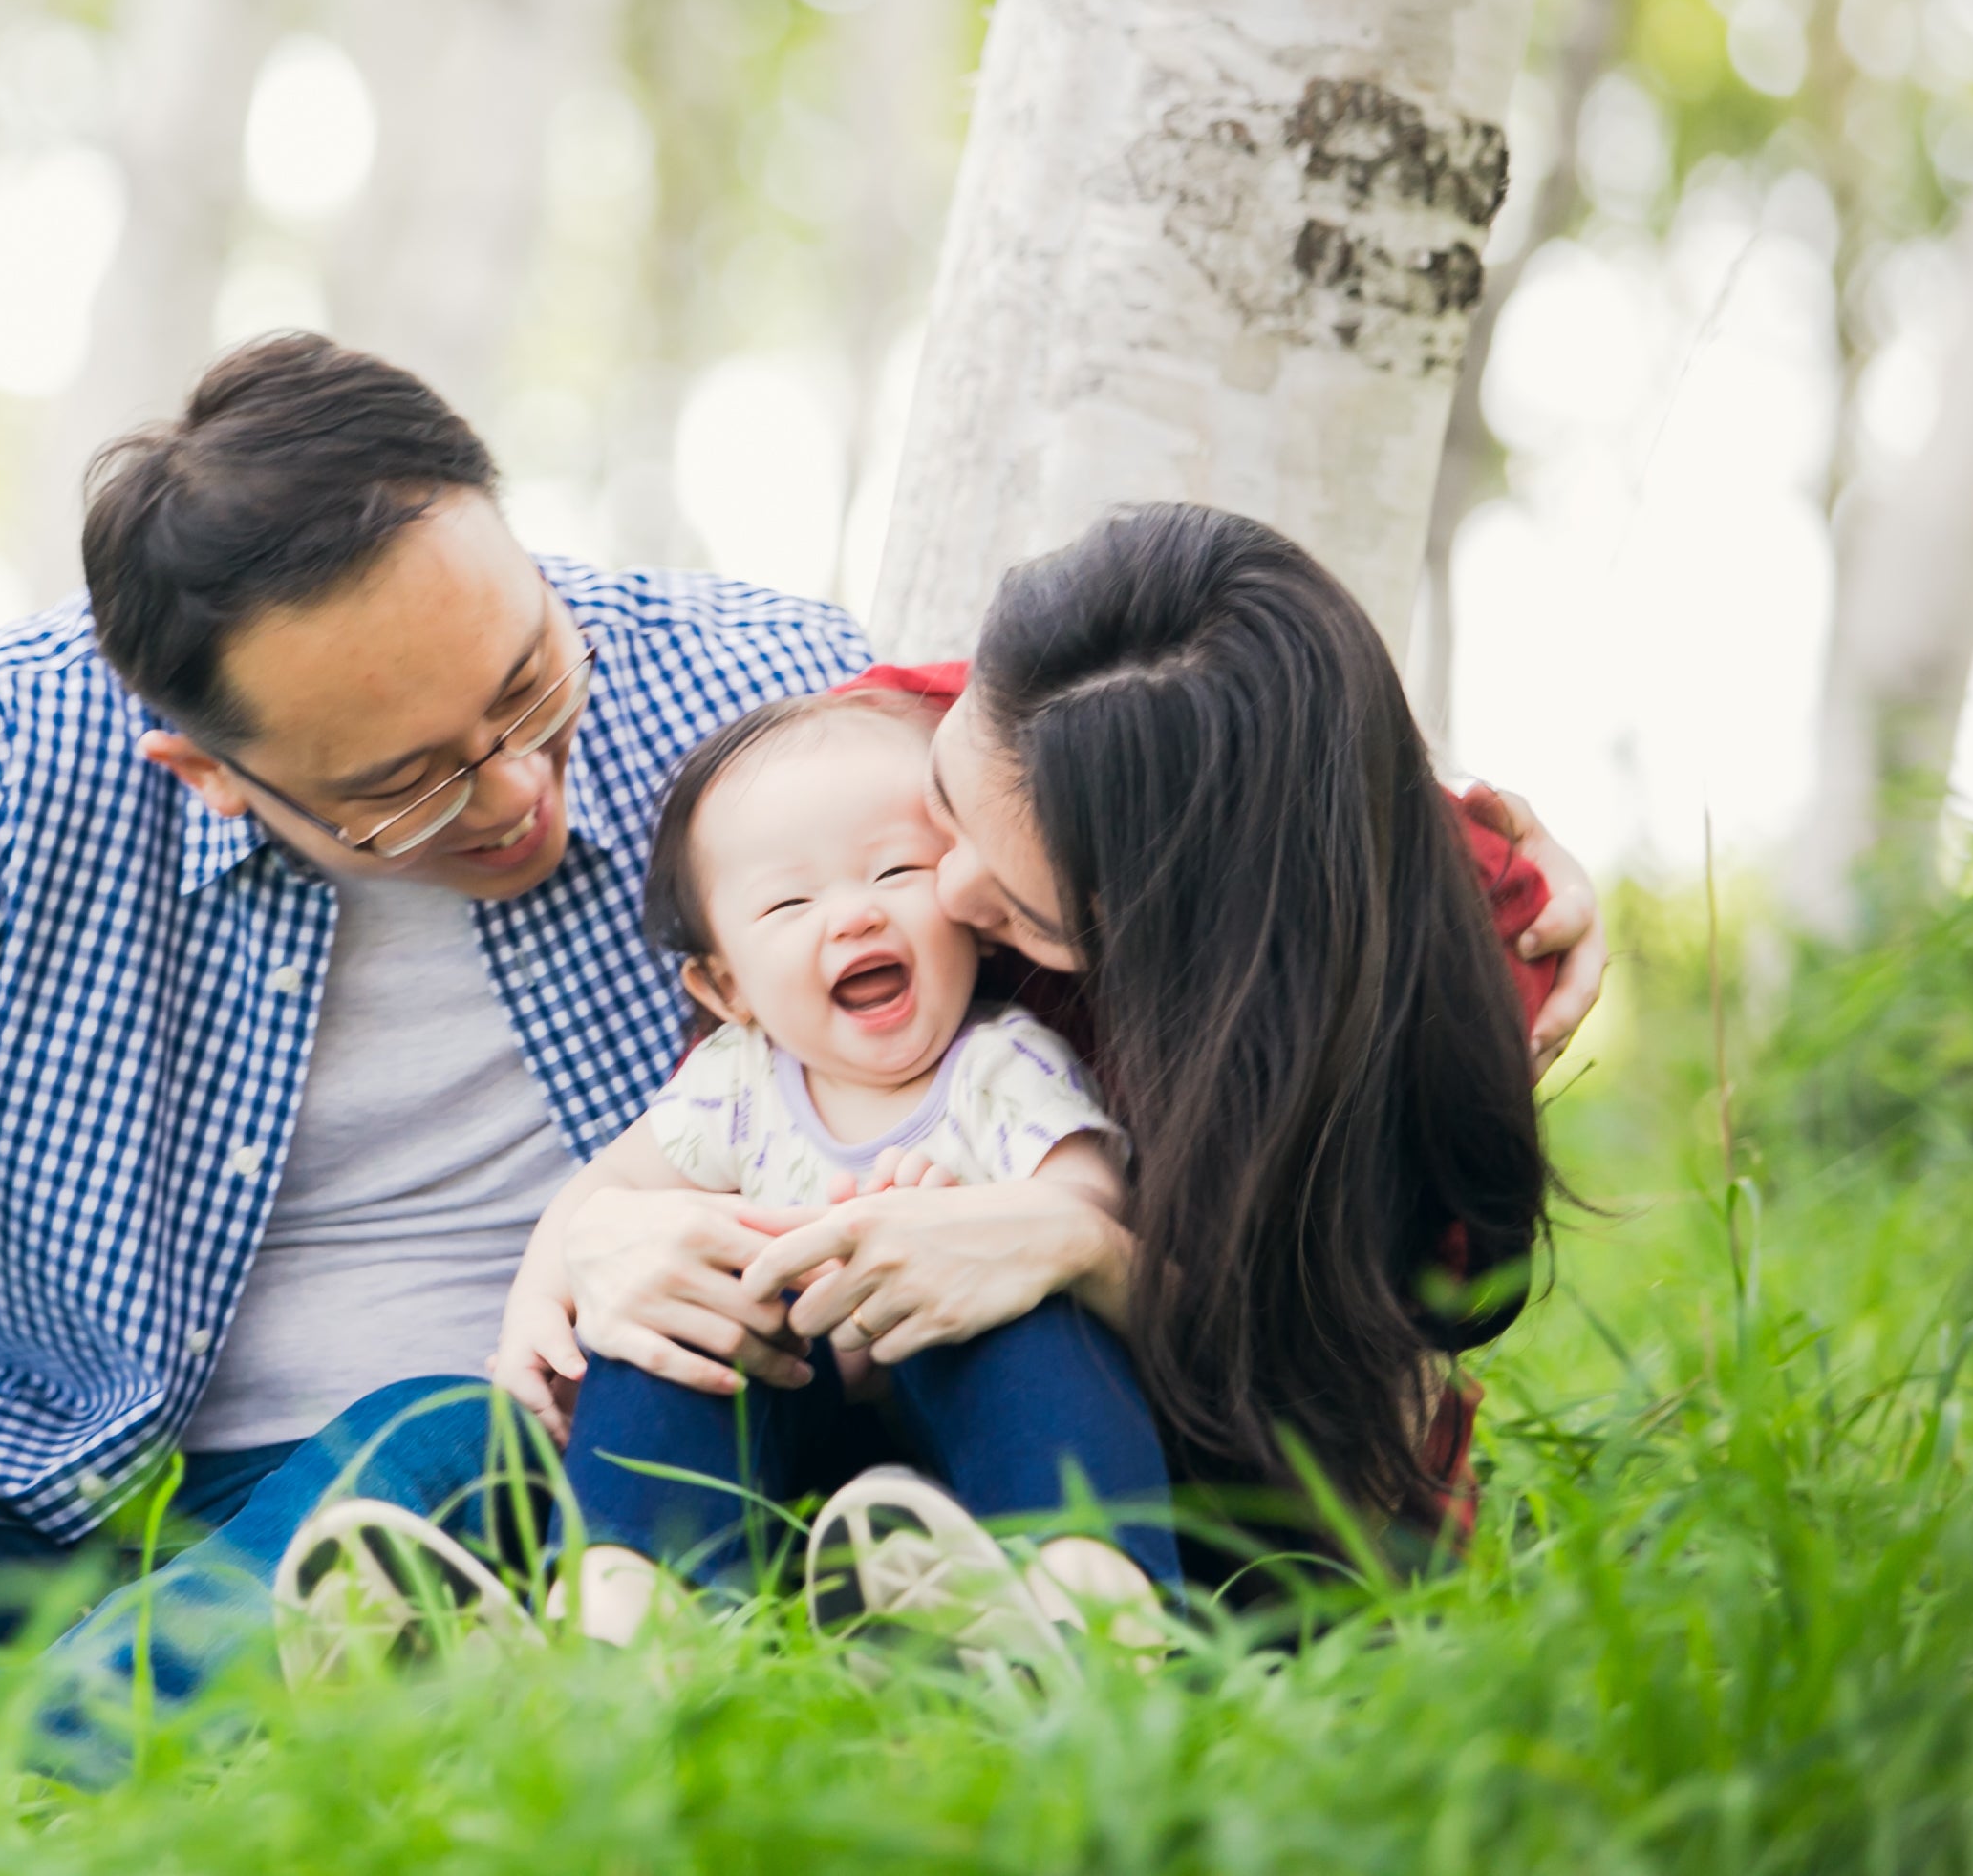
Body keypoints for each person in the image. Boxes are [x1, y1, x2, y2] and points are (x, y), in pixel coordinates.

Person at [0, 339, 1602, 1734]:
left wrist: (1479, 869)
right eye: (404, 782)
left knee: (406, 1438)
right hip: (58, 1472)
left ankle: (1, 1762)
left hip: (462, 1462)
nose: (523, 794)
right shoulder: (7, 760)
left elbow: (1157, 772)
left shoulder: (727, 683)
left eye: (520, 689)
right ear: (208, 765)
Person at [534, 505, 1556, 1607]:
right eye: (943, 808)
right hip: (820, 1431)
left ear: (1182, 945)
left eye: (1026, 911)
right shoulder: (892, 744)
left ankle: (1076, 1598)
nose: (944, 895)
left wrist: (1080, 1245)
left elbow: (1352, 1413)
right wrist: (593, 1244)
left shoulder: (1422, 995)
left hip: (1208, 1465)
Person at [507, 688, 1167, 1655]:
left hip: (967, 1434)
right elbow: (603, 1197)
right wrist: (536, 1309)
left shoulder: (1000, 1065)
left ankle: (1086, 1593)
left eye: (896, 871)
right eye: (789, 901)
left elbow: (1083, 1207)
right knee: (669, 1336)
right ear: (725, 985)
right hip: (791, 1423)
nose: (853, 914)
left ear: (973, 916)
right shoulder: (735, 1084)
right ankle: (627, 1606)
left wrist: (979, 1230)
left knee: (1040, 1322)